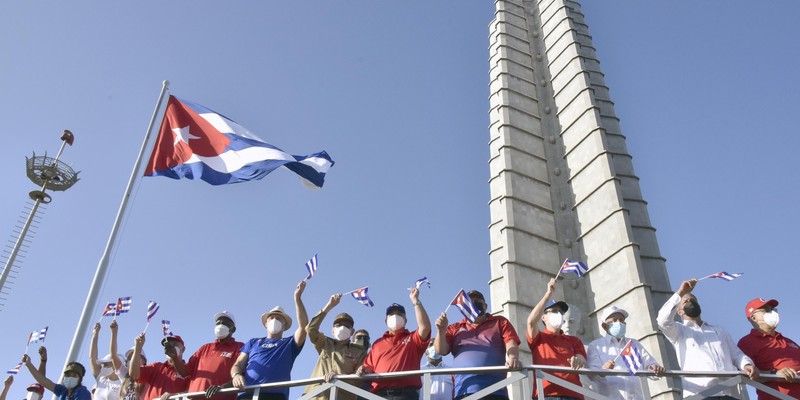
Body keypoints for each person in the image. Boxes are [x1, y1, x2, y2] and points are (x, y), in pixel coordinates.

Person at [657, 279, 757, 399]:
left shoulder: (719, 330)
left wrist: (746, 364)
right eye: (686, 301)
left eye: (693, 300)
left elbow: (736, 355)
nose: (690, 302)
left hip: (730, 393)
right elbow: (662, 321)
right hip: (700, 395)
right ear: (679, 311)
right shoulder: (679, 331)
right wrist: (681, 292)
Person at [434, 290, 521, 399]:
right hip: (463, 390)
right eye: (470, 302)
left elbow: (511, 341)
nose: (474, 304)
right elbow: (440, 350)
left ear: (486, 305)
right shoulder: (455, 328)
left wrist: (513, 357)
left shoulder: (500, 322)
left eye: (478, 301)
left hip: (496, 391)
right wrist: (441, 331)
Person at [231, 281, 309, 400]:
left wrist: (297, 297)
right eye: (271, 318)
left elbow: (304, 327)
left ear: (284, 325)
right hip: (246, 394)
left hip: (275, 395)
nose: (274, 320)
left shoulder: (289, 343)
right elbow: (238, 364)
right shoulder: (253, 342)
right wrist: (236, 375)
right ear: (266, 323)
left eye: (278, 318)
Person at [356, 288, 431, 400]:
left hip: (405, 395)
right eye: (391, 314)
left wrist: (416, 301)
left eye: (399, 314)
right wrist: (363, 370)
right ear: (386, 321)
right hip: (378, 395)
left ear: (405, 320)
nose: (395, 317)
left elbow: (425, 327)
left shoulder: (413, 339)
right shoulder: (377, 343)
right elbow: (369, 367)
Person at [587, 305, 665, 399]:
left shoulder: (633, 343)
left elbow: (651, 367)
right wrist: (603, 370)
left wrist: (655, 369)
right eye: (614, 320)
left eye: (621, 320)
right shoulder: (596, 346)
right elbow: (591, 375)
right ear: (604, 326)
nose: (619, 323)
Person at [527, 278, 587, 400]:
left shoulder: (574, 340)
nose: (558, 314)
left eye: (560, 312)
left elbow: (581, 357)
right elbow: (531, 322)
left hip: (573, 395)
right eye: (554, 311)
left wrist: (577, 360)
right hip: (547, 394)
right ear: (543, 317)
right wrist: (548, 294)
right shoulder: (539, 338)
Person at [303, 293, 369, 400]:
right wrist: (328, 306)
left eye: (347, 326)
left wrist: (338, 377)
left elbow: (359, 378)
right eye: (338, 325)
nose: (342, 328)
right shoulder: (324, 343)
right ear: (332, 330)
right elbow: (310, 329)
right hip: (316, 396)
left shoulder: (359, 351)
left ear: (352, 331)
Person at [737, 297, 800, 399]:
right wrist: (775, 374)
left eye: (773, 309)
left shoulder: (789, 341)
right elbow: (746, 373)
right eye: (766, 310)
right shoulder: (747, 342)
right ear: (753, 318)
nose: (773, 313)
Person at [174, 311, 243, 400]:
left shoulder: (239, 347)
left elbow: (242, 374)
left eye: (224, 323)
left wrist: (222, 388)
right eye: (218, 323)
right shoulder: (205, 348)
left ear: (233, 329)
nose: (220, 325)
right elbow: (184, 372)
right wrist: (174, 357)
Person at [129, 333, 188, 400]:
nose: (170, 347)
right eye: (167, 345)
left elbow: (192, 391)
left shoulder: (188, 371)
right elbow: (133, 373)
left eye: (174, 344)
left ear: (183, 349)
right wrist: (138, 347)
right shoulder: (156, 367)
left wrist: (174, 396)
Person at [22, 354, 91, 400]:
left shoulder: (82, 392)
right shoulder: (62, 391)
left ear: (80, 379)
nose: (70, 377)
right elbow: (43, 381)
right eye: (68, 375)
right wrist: (28, 364)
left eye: (74, 376)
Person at [91, 321, 126, 400]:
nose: (103, 367)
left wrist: (114, 332)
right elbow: (92, 358)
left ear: (115, 365)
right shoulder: (101, 379)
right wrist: (95, 334)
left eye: (106, 365)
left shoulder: (123, 384)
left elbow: (113, 355)